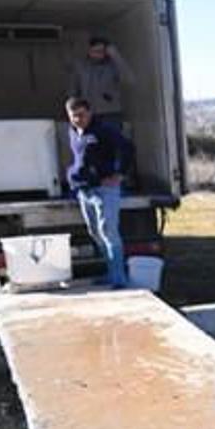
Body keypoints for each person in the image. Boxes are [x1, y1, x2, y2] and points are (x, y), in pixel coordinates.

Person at [65, 97, 134, 289]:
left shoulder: (104, 130)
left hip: (105, 189)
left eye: (81, 115)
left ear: (90, 113)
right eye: (73, 116)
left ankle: (119, 278)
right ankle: (110, 273)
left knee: (109, 232)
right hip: (84, 189)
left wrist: (119, 175)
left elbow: (127, 148)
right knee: (94, 232)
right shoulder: (73, 132)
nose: (78, 119)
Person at [68, 36, 135, 132]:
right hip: (88, 113)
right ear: (89, 51)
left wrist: (115, 55)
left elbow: (129, 79)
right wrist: (75, 111)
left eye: (101, 51)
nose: (98, 55)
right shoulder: (81, 67)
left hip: (111, 113)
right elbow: (72, 90)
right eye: (94, 51)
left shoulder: (112, 66)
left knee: (112, 142)